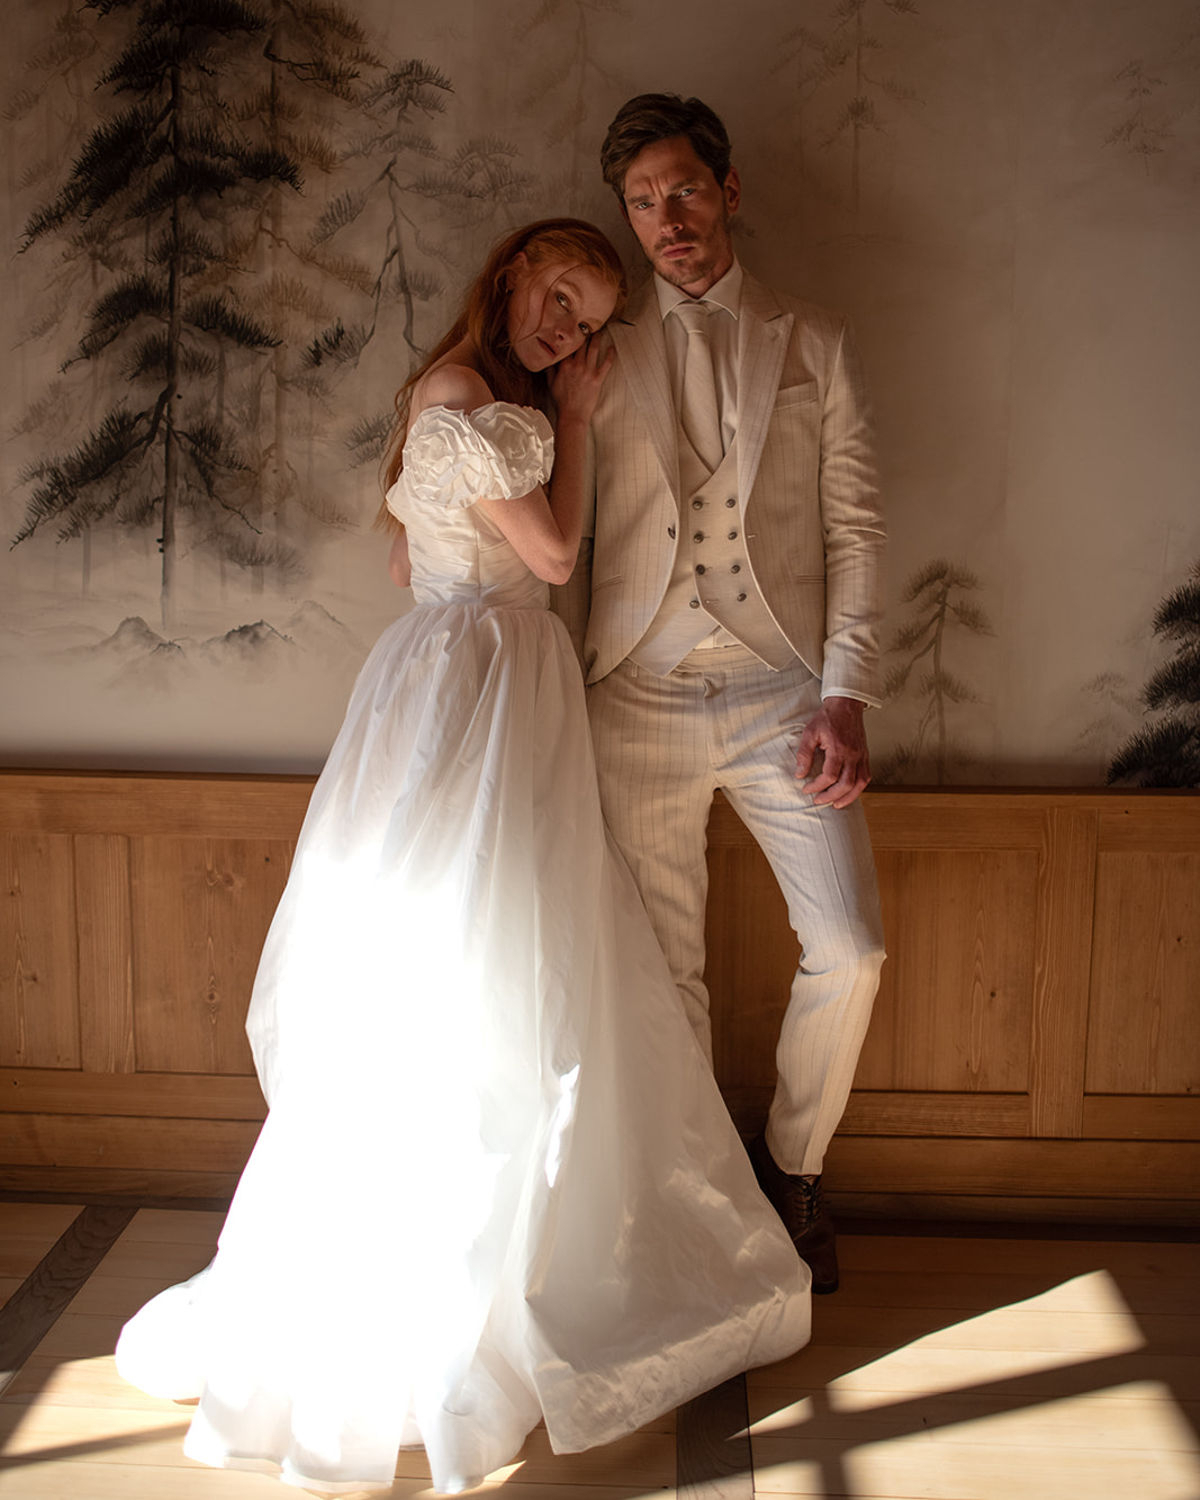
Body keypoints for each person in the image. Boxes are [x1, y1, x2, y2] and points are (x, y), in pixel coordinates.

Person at [114, 219, 811, 1496]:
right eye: (559, 298)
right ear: (510, 276)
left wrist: (483, 543)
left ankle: (518, 1232)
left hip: (479, 669)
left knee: (513, 944)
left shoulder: (462, 401)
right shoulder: (459, 394)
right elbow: (553, 556)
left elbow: (405, 555)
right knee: (461, 944)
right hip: (480, 676)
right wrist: (579, 425)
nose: (568, 330)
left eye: (589, 319)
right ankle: (436, 1265)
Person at [560, 96, 887, 1296]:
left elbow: (855, 529)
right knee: (666, 973)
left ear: (729, 191)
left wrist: (846, 694)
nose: (668, 219)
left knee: (851, 948)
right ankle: (702, 1201)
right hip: (635, 692)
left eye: (685, 190)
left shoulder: (817, 341)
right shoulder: (597, 354)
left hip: (783, 694)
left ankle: (793, 1165)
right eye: (643, 201)